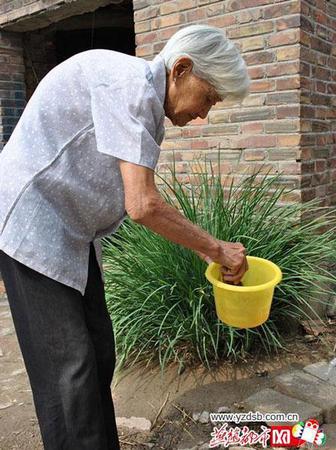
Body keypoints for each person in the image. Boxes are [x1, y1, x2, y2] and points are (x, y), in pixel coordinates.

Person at [0, 24, 250, 449]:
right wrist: (216, 249)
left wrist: (208, 250)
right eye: (208, 98)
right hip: (30, 224)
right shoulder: (128, 87)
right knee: (69, 370)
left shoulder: (147, 101)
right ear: (182, 70)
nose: (204, 114)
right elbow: (143, 205)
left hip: (71, 234)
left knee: (99, 350)